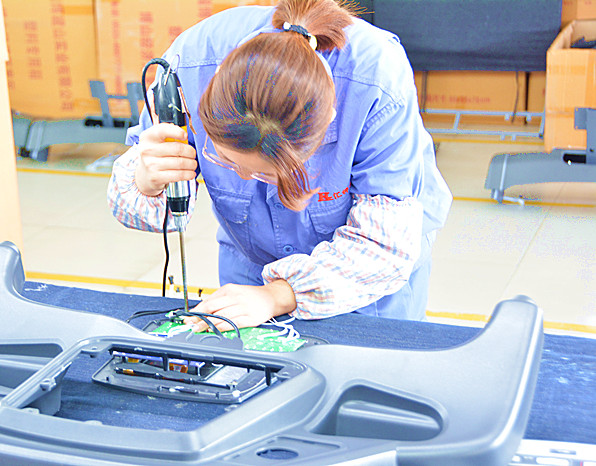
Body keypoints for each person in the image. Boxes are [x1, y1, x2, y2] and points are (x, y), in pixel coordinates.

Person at [108, 0, 452, 332]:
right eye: (226, 160)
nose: (243, 177)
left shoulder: (375, 80)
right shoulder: (190, 68)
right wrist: (146, 179)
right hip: (250, 266)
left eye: (267, 174)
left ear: (327, 124)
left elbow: (382, 245)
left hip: (362, 277)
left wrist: (277, 296)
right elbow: (144, 201)